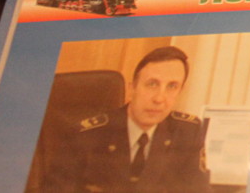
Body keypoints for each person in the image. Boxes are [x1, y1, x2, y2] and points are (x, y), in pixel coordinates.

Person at [44, 45, 210, 193]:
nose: (160, 98)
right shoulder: (87, 136)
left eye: (172, 87)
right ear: (132, 89)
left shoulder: (188, 133)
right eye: (152, 84)